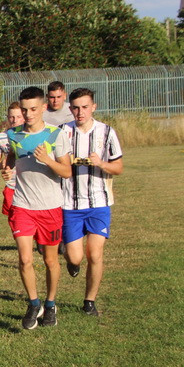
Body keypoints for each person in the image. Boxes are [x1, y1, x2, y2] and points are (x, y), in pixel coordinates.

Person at [3, 87, 72, 330]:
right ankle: (34, 303)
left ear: (43, 108)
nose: (28, 114)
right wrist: (8, 168)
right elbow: (12, 157)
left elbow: (67, 171)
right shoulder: (13, 134)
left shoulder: (56, 135)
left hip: (50, 207)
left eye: (33, 109)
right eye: (24, 110)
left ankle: (50, 304)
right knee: (25, 259)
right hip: (22, 205)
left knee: (50, 260)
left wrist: (48, 160)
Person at [60, 89, 124, 317]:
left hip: (99, 203)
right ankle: (71, 261)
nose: (80, 112)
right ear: (70, 109)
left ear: (93, 107)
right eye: (76, 107)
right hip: (70, 204)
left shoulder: (106, 132)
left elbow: (118, 167)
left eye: (85, 107)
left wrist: (102, 164)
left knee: (95, 255)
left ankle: (89, 301)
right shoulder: (62, 132)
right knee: (75, 256)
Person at [0, 102, 24, 217]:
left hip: (28, 186)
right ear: (7, 118)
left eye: (18, 116)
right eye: (11, 117)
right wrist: (1, 164)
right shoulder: (1, 137)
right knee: (14, 221)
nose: (14, 120)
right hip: (11, 186)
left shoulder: (30, 135)